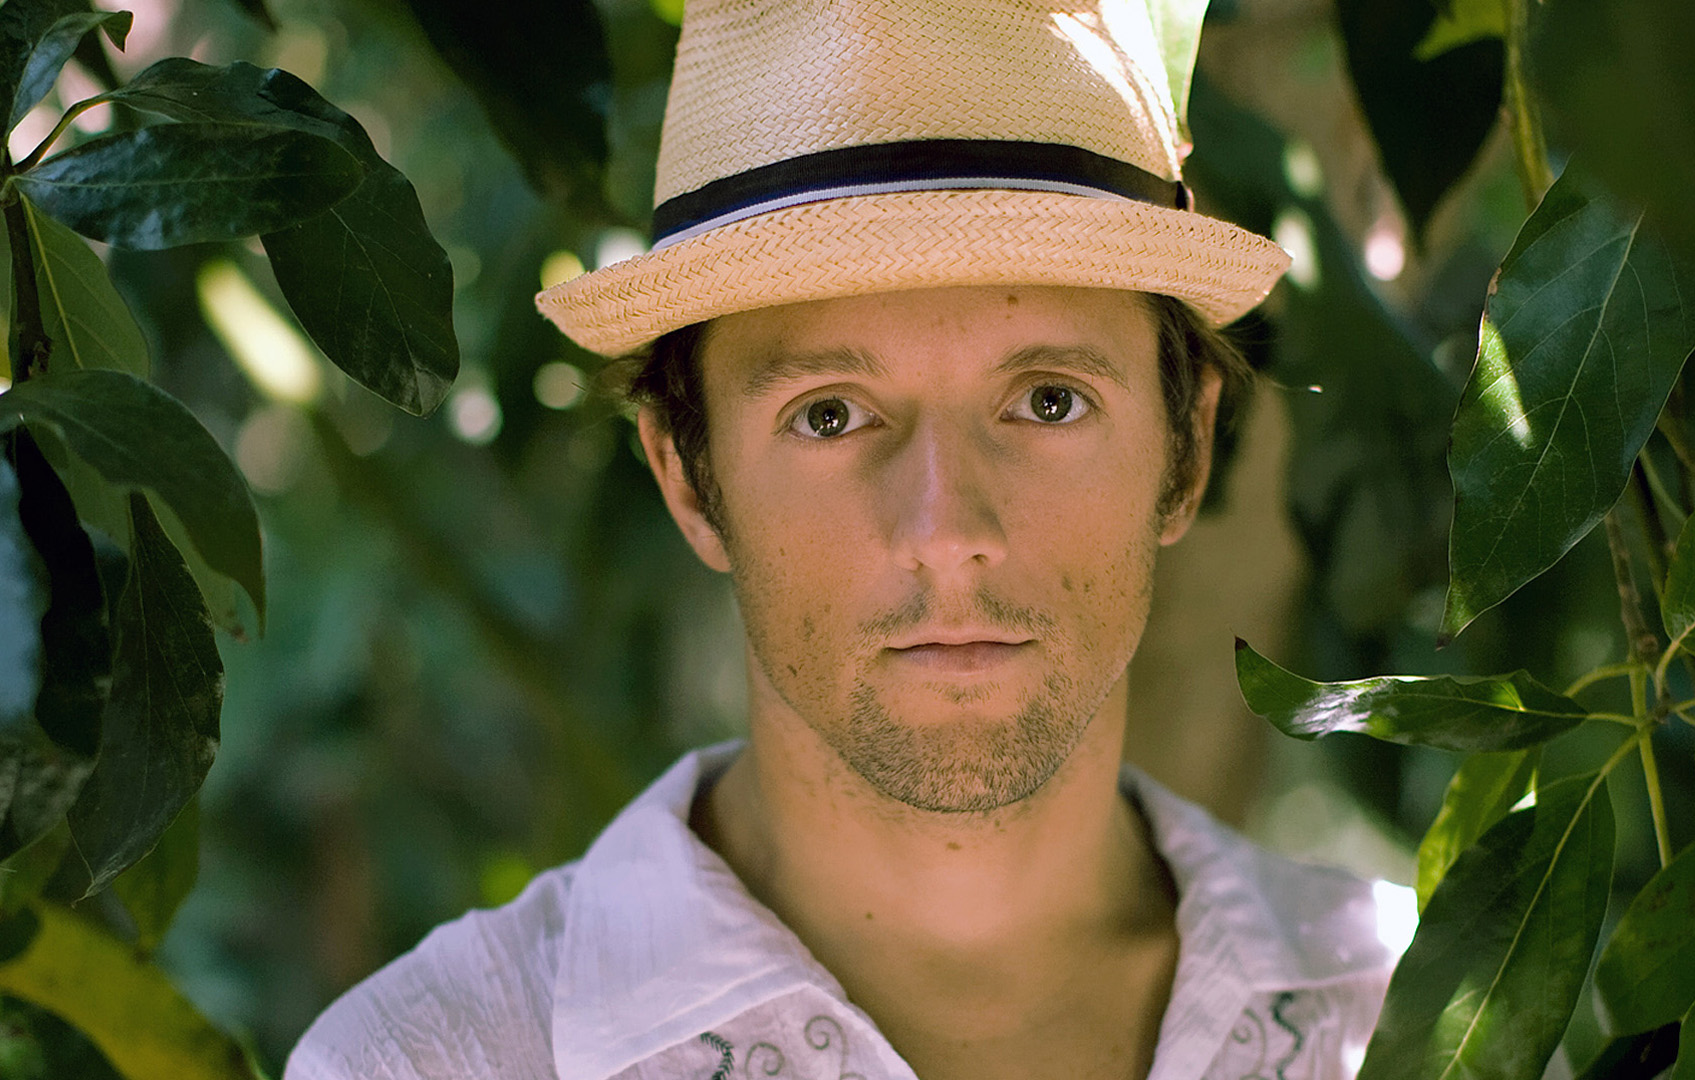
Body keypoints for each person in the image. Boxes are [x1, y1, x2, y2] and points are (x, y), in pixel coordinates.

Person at [286, 2, 1396, 1078]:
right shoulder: (432, 1063)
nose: (947, 533)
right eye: (828, 415)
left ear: (1187, 449)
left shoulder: (1412, 1029)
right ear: (688, 477)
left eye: (1049, 401)